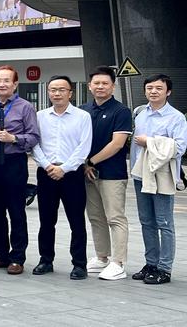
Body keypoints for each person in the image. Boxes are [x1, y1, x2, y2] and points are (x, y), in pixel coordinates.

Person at [0, 65, 39, 275]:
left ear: (15, 84)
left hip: (14, 163)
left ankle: (17, 258)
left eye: (6, 81)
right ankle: (1, 255)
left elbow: (34, 137)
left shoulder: (25, 107)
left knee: (16, 212)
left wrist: (13, 138)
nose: (1, 84)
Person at [32, 75, 91, 280]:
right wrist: (48, 165)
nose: (57, 93)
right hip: (46, 172)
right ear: (48, 92)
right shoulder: (40, 116)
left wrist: (64, 168)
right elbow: (34, 144)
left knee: (77, 221)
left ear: (70, 93)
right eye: (53, 90)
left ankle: (79, 264)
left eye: (61, 90)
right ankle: (45, 260)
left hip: (72, 174)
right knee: (46, 220)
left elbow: (84, 147)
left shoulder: (82, 117)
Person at [129, 74, 187, 285]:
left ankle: (164, 268)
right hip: (140, 174)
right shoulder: (139, 113)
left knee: (164, 222)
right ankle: (151, 263)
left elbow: (180, 147)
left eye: (159, 88)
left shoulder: (176, 117)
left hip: (162, 175)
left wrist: (150, 142)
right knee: (146, 221)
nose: (153, 91)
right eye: (150, 88)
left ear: (168, 92)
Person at [82, 65, 132, 281]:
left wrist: (90, 161)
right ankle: (102, 257)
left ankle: (118, 263)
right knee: (95, 217)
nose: (100, 86)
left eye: (105, 83)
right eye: (96, 83)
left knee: (115, 217)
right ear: (89, 86)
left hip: (112, 174)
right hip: (87, 173)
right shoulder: (83, 110)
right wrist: (84, 165)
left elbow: (117, 144)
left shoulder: (121, 111)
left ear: (113, 86)